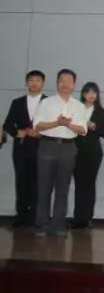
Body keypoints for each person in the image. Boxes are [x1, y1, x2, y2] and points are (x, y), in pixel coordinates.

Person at [32, 69, 88, 237]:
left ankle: (58, 224)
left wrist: (68, 125)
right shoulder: (46, 102)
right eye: (62, 81)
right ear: (57, 83)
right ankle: (41, 224)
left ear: (74, 85)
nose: (65, 84)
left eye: (69, 81)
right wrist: (57, 123)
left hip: (68, 147)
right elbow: (37, 126)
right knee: (44, 187)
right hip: (47, 146)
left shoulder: (79, 106)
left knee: (63, 188)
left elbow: (83, 130)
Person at [3, 70, 46, 227]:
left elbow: (55, 126)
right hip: (21, 147)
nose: (34, 83)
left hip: (41, 147)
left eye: (38, 80)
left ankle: (35, 216)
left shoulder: (48, 102)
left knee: (38, 182)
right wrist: (17, 132)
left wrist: (41, 133)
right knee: (21, 181)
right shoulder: (17, 102)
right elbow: (8, 124)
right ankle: (21, 216)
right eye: (31, 80)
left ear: (43, 83)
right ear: (27, 82)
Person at [72, 82, 104, 229]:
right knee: (79, 184)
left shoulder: (101, 111)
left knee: (89, 184)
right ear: (83, 94)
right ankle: (77, 218)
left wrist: (94, 126)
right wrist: (82, 124)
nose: (91, 95)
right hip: (75, 150)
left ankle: (87, 218)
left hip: (93, 152)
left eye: (94, 92)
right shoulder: (75, 108)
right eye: (88, 92)